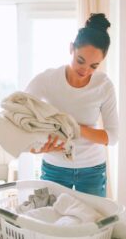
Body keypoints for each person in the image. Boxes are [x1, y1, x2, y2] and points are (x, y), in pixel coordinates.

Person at [26, 13, 119, 197]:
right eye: (80, 61)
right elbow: (18, 118)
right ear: (71, 49)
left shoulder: (104, 86)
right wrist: (35, 147)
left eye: (94, 66)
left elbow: (112, 137)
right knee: (52, 224)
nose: (85, 71)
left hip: (92, 170)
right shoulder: (47, 80)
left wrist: (74, 127)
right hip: (54, 168)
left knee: (92, 224)